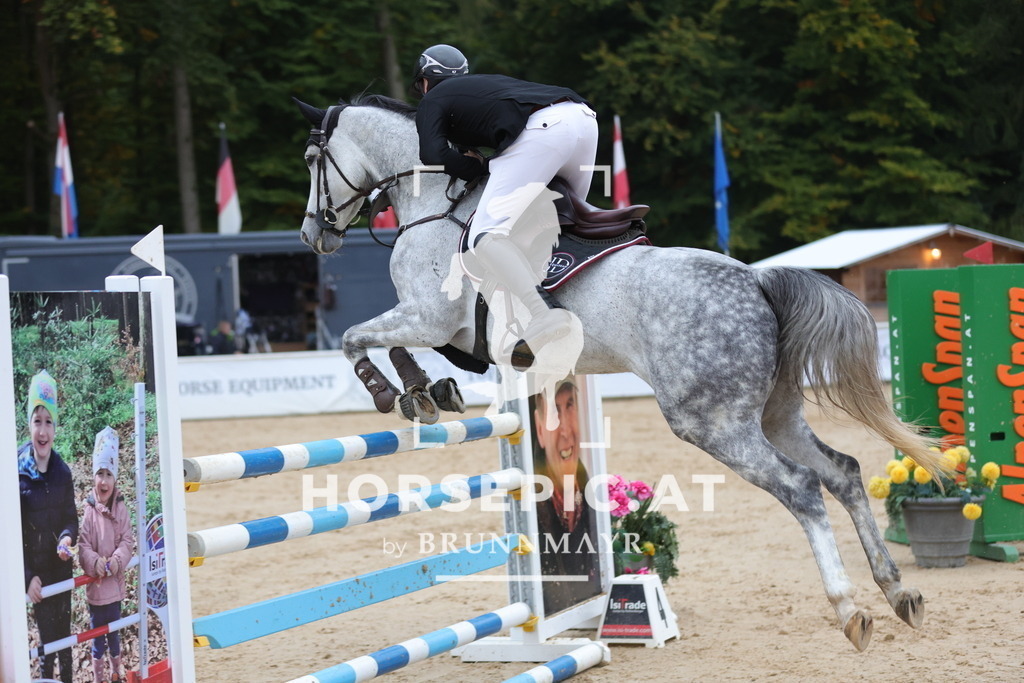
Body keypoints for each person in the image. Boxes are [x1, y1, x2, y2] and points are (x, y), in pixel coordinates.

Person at [412, 44, 596, 361]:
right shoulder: (483, 87)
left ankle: (544, 314)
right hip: (584, 118)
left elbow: (432, 154)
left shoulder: (433, 100)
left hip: (545, 131)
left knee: (485, 235)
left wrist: (481, 167)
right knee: (567, 221)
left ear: (425, 81)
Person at [19, 370, 77, 683]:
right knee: (46, 640)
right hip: (37, 575)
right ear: (29, 424)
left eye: (48, 421)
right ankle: (45, 679)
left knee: (65, 635)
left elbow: (71, 516)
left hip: (61, 569)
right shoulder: (15, 473)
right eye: (37, 420)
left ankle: (68, 679)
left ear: (56, 427)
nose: (43, 430)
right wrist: (27, 578)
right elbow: (10, 536)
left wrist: (68, 538)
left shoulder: (63, 472)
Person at [531, 377, 601, 614]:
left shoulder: (590, 491)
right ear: (540, 429)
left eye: (570, 407)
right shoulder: (531, 503)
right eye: (553, 412)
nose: (565, 430)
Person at [79, 426, 133, 683]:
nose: (103, 480)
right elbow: (83, 546)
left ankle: (116, 672)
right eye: (99, 473)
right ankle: (99, 677)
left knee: (115, 634)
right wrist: (95, 562)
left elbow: (127, 540)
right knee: (96, 638)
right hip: (96, 589)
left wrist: (117, 560)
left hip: (115, 588)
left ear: (115, 478)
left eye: (108, 474)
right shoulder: (89, 511)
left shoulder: (121, 508)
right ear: (93, 477)